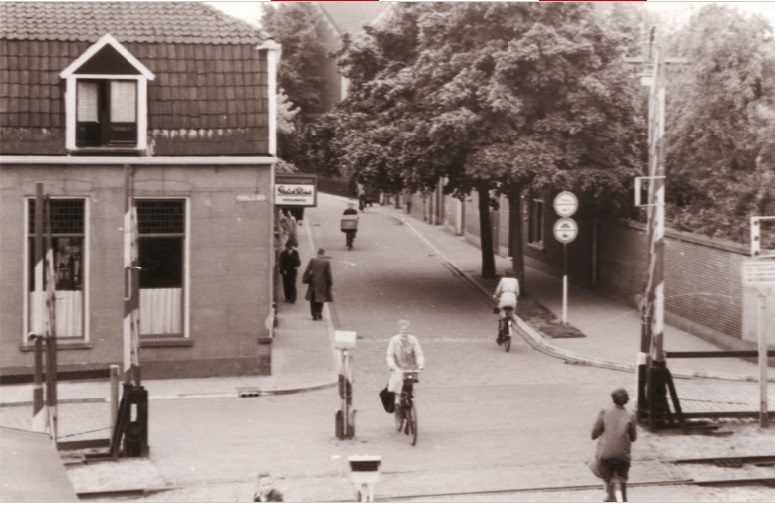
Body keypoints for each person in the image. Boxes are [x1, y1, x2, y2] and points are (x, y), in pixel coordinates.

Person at [591, 388, 637, 502]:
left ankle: (606, 492)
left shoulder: (604, 412)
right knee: (622, 479)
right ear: (626, 401)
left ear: (613, 399)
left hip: (605, 456)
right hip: (623, 457)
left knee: (600, 467)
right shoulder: (630, 416)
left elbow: (594, 434)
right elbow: (633, 438)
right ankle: (623, 498)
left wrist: (601, 432)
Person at [385, 320, 425, 416]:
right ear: (399, 330)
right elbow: (389, 355)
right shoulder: (394, 340)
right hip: (398, 366)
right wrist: (391, 365)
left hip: (410, 367)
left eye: (406, 330)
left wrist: (421, 364)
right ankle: (397, 400)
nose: (405, 332)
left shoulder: (413, 340)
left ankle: (410, 400)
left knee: (411, 382)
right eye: (403, 330)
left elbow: (419, 353)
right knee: (397, 381)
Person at [302, 248, 333, 321]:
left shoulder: (313, 260)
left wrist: (305, 278)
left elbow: (307, 270)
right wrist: (330, 282)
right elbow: (328, 274)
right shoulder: (326, 262)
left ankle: (314, 315)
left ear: (317, 253)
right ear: (323, 253)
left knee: (313, 299)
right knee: (321, 298)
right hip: (323, 283)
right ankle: (319, 311)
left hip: (313, 282)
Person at [492, 269, 519, 345]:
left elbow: (498, 290)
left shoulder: (503, 280)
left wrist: (495, 296)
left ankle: (501, 333)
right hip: (512, 297)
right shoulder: (515, 280)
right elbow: (517, 292)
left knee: (501, 311)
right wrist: (515, 298)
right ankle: (510, 323)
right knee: (511, 312)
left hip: (504, 297)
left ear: (505, 274)